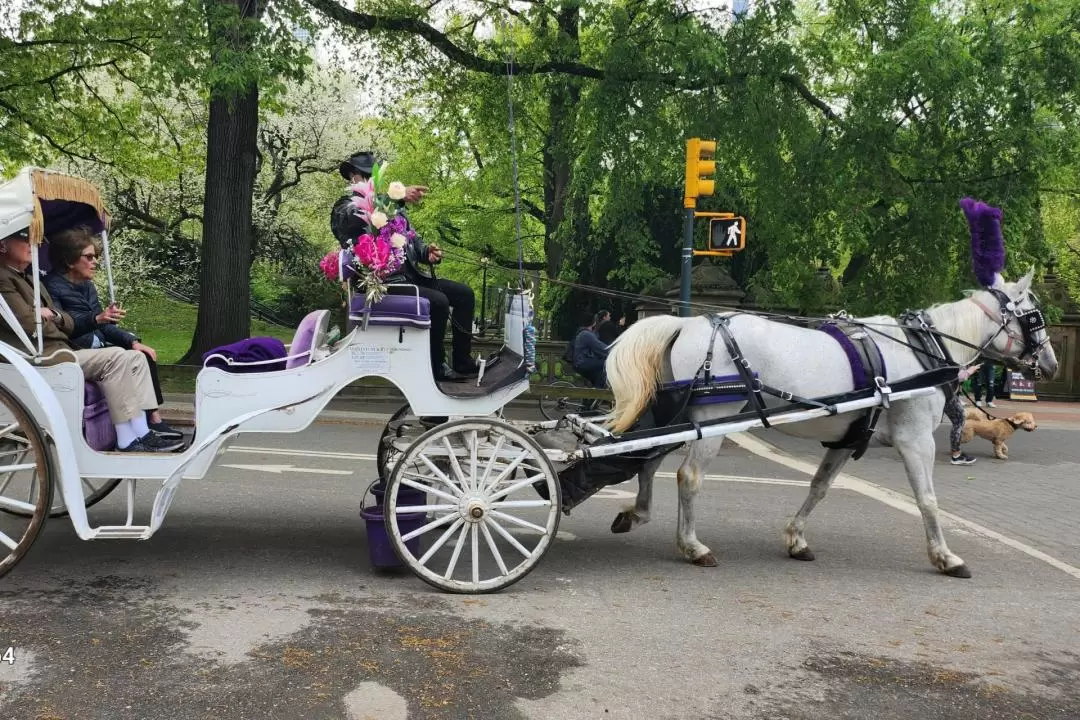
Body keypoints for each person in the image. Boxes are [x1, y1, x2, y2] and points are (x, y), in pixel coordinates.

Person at [0, 229, 183, 453]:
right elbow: (29, 322)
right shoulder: (4, 278)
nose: (32, 243)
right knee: (117, 356)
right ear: (2, 246)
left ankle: (143, 429)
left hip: (60, 348)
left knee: (136, 357)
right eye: (23, 239)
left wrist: (54, 316)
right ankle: (126, 439)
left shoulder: (28, 278)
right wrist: (52, 317)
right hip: (42, 356)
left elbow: (63, 319)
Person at [331, 151, 478, 381]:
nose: (369, 180)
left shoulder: (390, 208)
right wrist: (395, 197)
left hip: (410, 278)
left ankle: (462, 360)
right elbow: (361, 216)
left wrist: (427, 253)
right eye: (364, 176)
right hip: (381, 283)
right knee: (438, 302)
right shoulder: (345, 207)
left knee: (464, 295)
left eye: (372, 176)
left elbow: (411, 240)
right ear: (353, 177)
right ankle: (435, 367)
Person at [945, 364, 981, 466]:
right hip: (947, 393)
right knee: (959, 420)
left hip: (948, 392)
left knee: (958, 421)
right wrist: (970, 371)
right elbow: (958, 376)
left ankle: (956, 452)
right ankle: (956, 455)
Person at [572, 312, 610, 390]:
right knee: (606, 363)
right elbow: (601, 348)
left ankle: (593, 395)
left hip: (581, 362)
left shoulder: (582, 332)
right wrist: (615, 352)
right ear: (593, 323)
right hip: (583, 362)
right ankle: (596, 393)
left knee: (599, 373)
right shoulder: (586, 334)